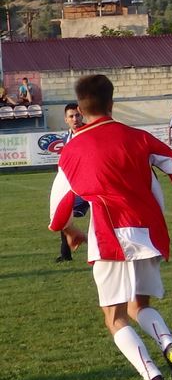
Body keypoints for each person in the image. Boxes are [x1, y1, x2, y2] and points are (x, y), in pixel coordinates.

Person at [48, 74, 172, 380]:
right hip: (148, 232)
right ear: (111, 103)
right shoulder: (139, 137)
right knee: (139, 305)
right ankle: (169, 344)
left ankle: (154, 379)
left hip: (109, 236)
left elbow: (59, 204)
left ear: (82, 110)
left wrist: (67, 229)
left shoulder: (72, 150)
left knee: (114, 317)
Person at [55, 103, 90, 263]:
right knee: (63, 215)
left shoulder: (90, 133)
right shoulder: (66, 138)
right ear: (66, 119)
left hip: (93, 183)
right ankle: (66, 254)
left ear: (82, 115)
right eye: (71, 116)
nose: (75, 119)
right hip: (75, 184)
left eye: (77, 115)